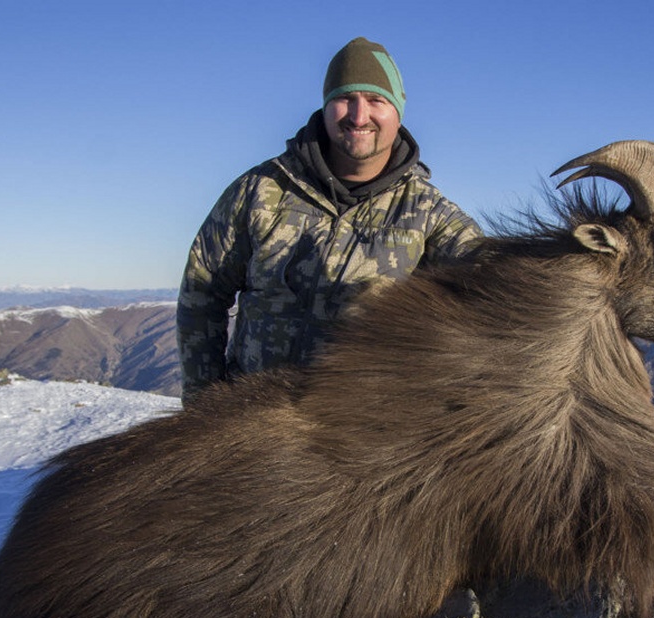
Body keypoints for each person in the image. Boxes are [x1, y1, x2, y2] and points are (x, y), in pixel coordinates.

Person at [177, 37, 482, 403]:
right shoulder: (260, 191)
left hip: (357, 433)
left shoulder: (430, 215)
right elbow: (202, 291)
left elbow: (492, 277)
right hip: (251, 420)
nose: (358, 116)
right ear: (325, 107)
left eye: (376, 100)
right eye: (344, 98)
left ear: (397, 112)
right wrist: (202, 403)